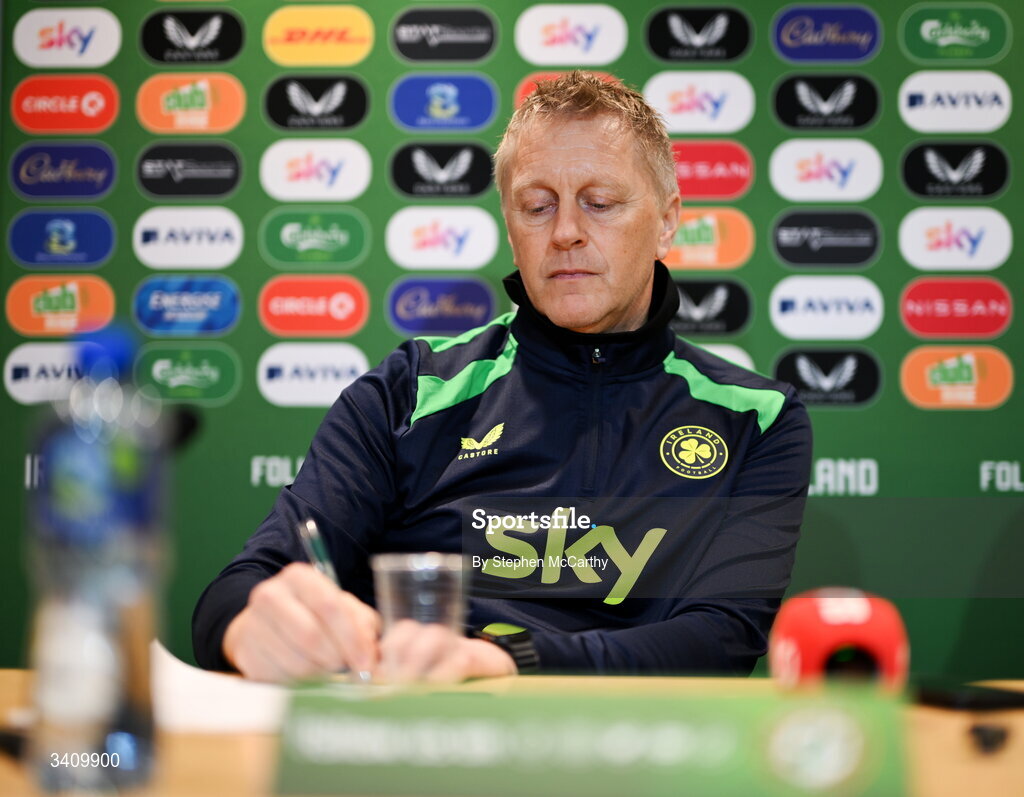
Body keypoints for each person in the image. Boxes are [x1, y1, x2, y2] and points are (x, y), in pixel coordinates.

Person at [192, 71, 812, 683]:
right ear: (511, 230)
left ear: (667, 221)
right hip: (418, 742)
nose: (566, 232)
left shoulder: (757, 417)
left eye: (599, 203)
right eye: (537, 207)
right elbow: (245, 586)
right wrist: (249, 626)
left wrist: (504, 664)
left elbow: (721, 640)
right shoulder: (409, 392)